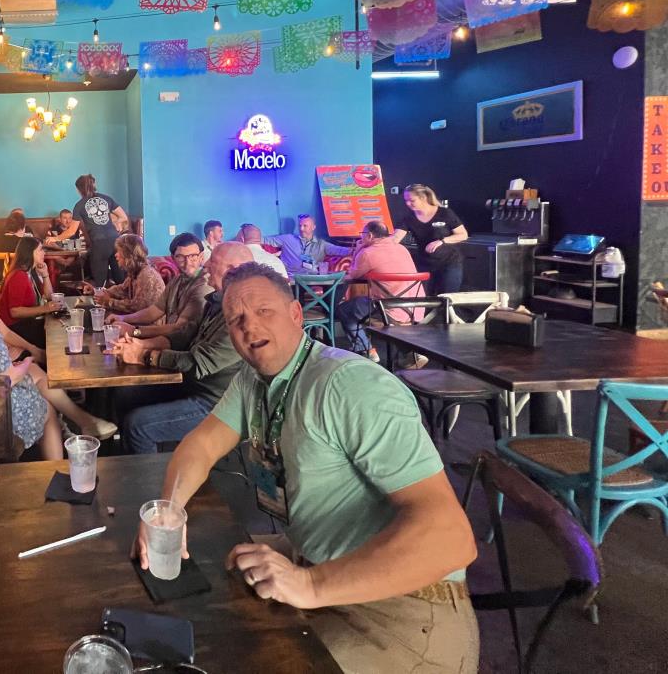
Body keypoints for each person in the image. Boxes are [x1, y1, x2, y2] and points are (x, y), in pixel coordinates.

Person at [134, 263, 478, 674]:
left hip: (406, 607)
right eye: (236, 319)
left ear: (296, 314)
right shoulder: (253, 380)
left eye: (264, 311)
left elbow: (451, 539)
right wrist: (169, 510)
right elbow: (202, 444)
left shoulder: (349, 386)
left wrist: (310, 584)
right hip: (316, 567)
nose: (249, 326)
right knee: (211, 603)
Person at [0, 257, 115, 459]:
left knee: (35, 373)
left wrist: (23, 359)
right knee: (46, 405)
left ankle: (79, 423)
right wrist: (24, 363)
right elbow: (8, 377)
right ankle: (61, 455)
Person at [109, 242, 253, 454]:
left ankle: (152, 474)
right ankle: (128, 457)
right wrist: (139, 343)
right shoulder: (216, 300)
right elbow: (184, 335)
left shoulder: (241, 318)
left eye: (212, 262)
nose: (205, 266)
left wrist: (144, 355)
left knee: (138, 425)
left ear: (233, 270)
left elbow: (196, 363)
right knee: (124, 394)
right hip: (192, 385)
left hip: (217, 402)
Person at [334, 220, 425, 363]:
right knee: (363, 306)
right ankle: (410, 353)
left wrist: (358, 250)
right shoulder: (402, 249)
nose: (361, 237)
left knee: (344, 310)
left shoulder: (368, 253)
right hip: (415, 308)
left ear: (369, 235)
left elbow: (352, 275)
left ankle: (367, 350)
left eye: (362, 234)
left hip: (388, 309)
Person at [108, 233, 212, 351]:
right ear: (173, 258)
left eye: (193, 256)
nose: (187, 262)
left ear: (201, 257)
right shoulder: (177, 280)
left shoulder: (204, 286)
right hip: (170, 342)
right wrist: (122, 319)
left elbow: (179, 328)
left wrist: (134, 331)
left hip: (187, 351)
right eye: (180, 257)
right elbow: (154, 311)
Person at [392, 184, 468, 295]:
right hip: (424, 264)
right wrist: (378, 245)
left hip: (449, 263)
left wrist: (441, 241)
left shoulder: (444, 213)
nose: (408, 204)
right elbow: (396, 238)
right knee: (424, 298)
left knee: (446, 297)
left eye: (412, 200)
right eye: (406, 201)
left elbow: (463, 235)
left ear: (423, 198)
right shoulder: (408, 218)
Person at [0, 236, 59, 350]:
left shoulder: (31, 272)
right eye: (40, 250)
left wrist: (45, 275)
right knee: (54, 335)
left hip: (26, 323)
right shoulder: (19, 275)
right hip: (14, 328)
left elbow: (50, 296)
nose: (44, 253)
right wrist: (45, 308)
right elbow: (15, 312)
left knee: (55, 327)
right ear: (30, 252)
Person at [89, 234, 165, 315]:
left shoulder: (146, 276)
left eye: (119, 251)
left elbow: (137, 307)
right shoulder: (136, 272)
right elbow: (122, 289)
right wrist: (98, 292)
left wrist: (110, 302)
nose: (116, 255)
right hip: (138, 318)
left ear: (128, 254)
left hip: (150, 322)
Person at [71, 174, 126, 286]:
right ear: (94, 185)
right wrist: (116, 223)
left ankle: (100, 295)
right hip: (116, 241)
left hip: (99, 244)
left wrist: (54, 238)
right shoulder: (107, 198)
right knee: (121, 280)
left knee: (99, 283)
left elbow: (71, 231)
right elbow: (123, 217)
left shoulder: (79, 205)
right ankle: (125, 296)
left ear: (78, 190)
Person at [264, 213, 352, 275]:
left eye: (305, 226)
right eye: (300, 226)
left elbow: (340, 250)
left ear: (313, 227)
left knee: (338, 284)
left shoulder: (321, 244)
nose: (301, 229)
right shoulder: (287, 239)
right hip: (292, 277)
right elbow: (265, 240)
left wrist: (357, 249)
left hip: (312, 277)